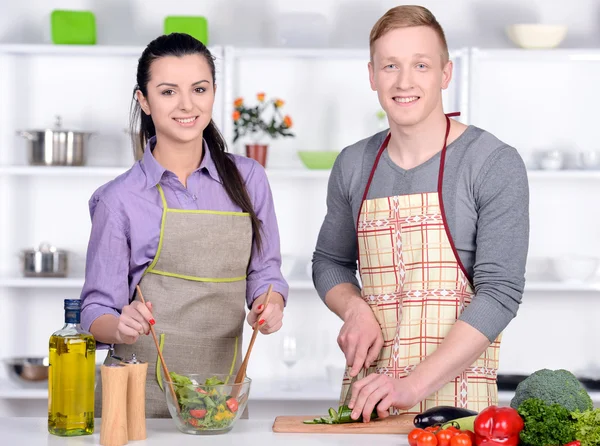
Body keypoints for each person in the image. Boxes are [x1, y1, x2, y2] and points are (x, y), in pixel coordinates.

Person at [312, 5, 529, 422]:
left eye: (421, 65)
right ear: (372, 75)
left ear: (445, 74)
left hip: (458, 411)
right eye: (390, 65)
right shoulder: (353, 164)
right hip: (366, 403)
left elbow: (500, 293)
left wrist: (411, 386)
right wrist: (355, 309)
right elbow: (329, 263)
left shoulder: (492, 162)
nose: (404, 81)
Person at [80, 33, 288, 418]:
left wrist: (269, 303)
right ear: (143, 100)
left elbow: (265, 272)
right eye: (168, 91)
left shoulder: (249, 179)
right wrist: (121, 326)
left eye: (199, 88)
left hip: (220, 399)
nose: (187, 104)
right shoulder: (118, 199)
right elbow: (95, 310)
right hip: (135, 404)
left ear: (213, 92)